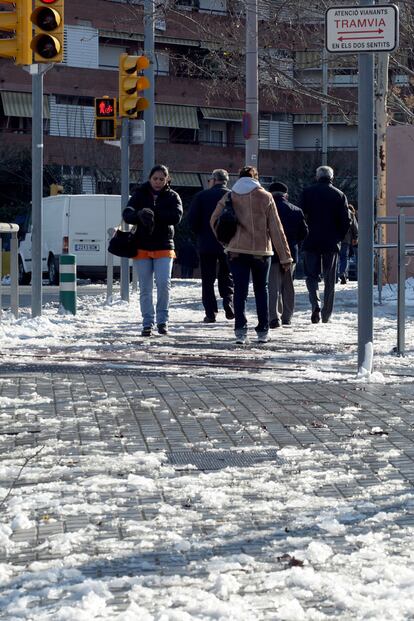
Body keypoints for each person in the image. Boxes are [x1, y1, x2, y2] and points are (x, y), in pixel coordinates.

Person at [210, 166, 292, 345]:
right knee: (261, 290)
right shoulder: (265, 197)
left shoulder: (229, 196)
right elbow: (277, 229)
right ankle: (263, 331)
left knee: (240, 290)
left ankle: (240, 331)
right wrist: (285, 257)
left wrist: (225, 242)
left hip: (236, 251)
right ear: (256, 178)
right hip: (261, 252)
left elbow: (213, 220)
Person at [123, 164, 183, 336]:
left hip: (164, 245)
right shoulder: (139, 194)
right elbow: (127, 213)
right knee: (145, 288)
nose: (158, 182)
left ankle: (162, 321)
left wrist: (154, 214)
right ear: (150, 178)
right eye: (155, 178)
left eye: (161, 179)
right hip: (142, 246)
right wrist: (139, 215)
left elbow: (177, 217)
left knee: (164, 284)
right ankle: (147, 323)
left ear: (167, 180)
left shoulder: (173, 196)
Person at [299, 165, 351, 324]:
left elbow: (300, 216)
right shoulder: (339, 195)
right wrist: (338, 237)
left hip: (311, 240)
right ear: (332, 178)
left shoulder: (307, 193)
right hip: (331, 242)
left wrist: (304, 235)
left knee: (311, 276)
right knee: (330, 279)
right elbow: (346, 221)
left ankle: (315, 304)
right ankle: (327, 314)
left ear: (317, 177)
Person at [187, 169, 234, 323]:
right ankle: (229, 304)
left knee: (207, 279)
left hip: (206, 243)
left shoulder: (201, 196)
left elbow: (192, 220)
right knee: (227, 276)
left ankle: (210, 312)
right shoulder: (232, 196)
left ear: (213, 180)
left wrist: (200, 233)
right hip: (228, 243)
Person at [268, 182, 308, 328]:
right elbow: (304, 232)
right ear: (286, 194)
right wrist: (294, 242)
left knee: (274, 285)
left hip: (271, 251)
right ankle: (287, 316)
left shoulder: (267, 209)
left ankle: (274, 316)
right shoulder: (296, 210)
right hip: (291, 252)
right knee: (288, 285)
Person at [337, 204, 358, 284]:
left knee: (335, 257)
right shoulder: (351, 214)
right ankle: (343, 273)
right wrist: (355, 237)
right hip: (346, 239)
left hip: (336, 238)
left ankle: (334, 276)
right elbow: (355, 227)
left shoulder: (336, 211)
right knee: (344, 257)